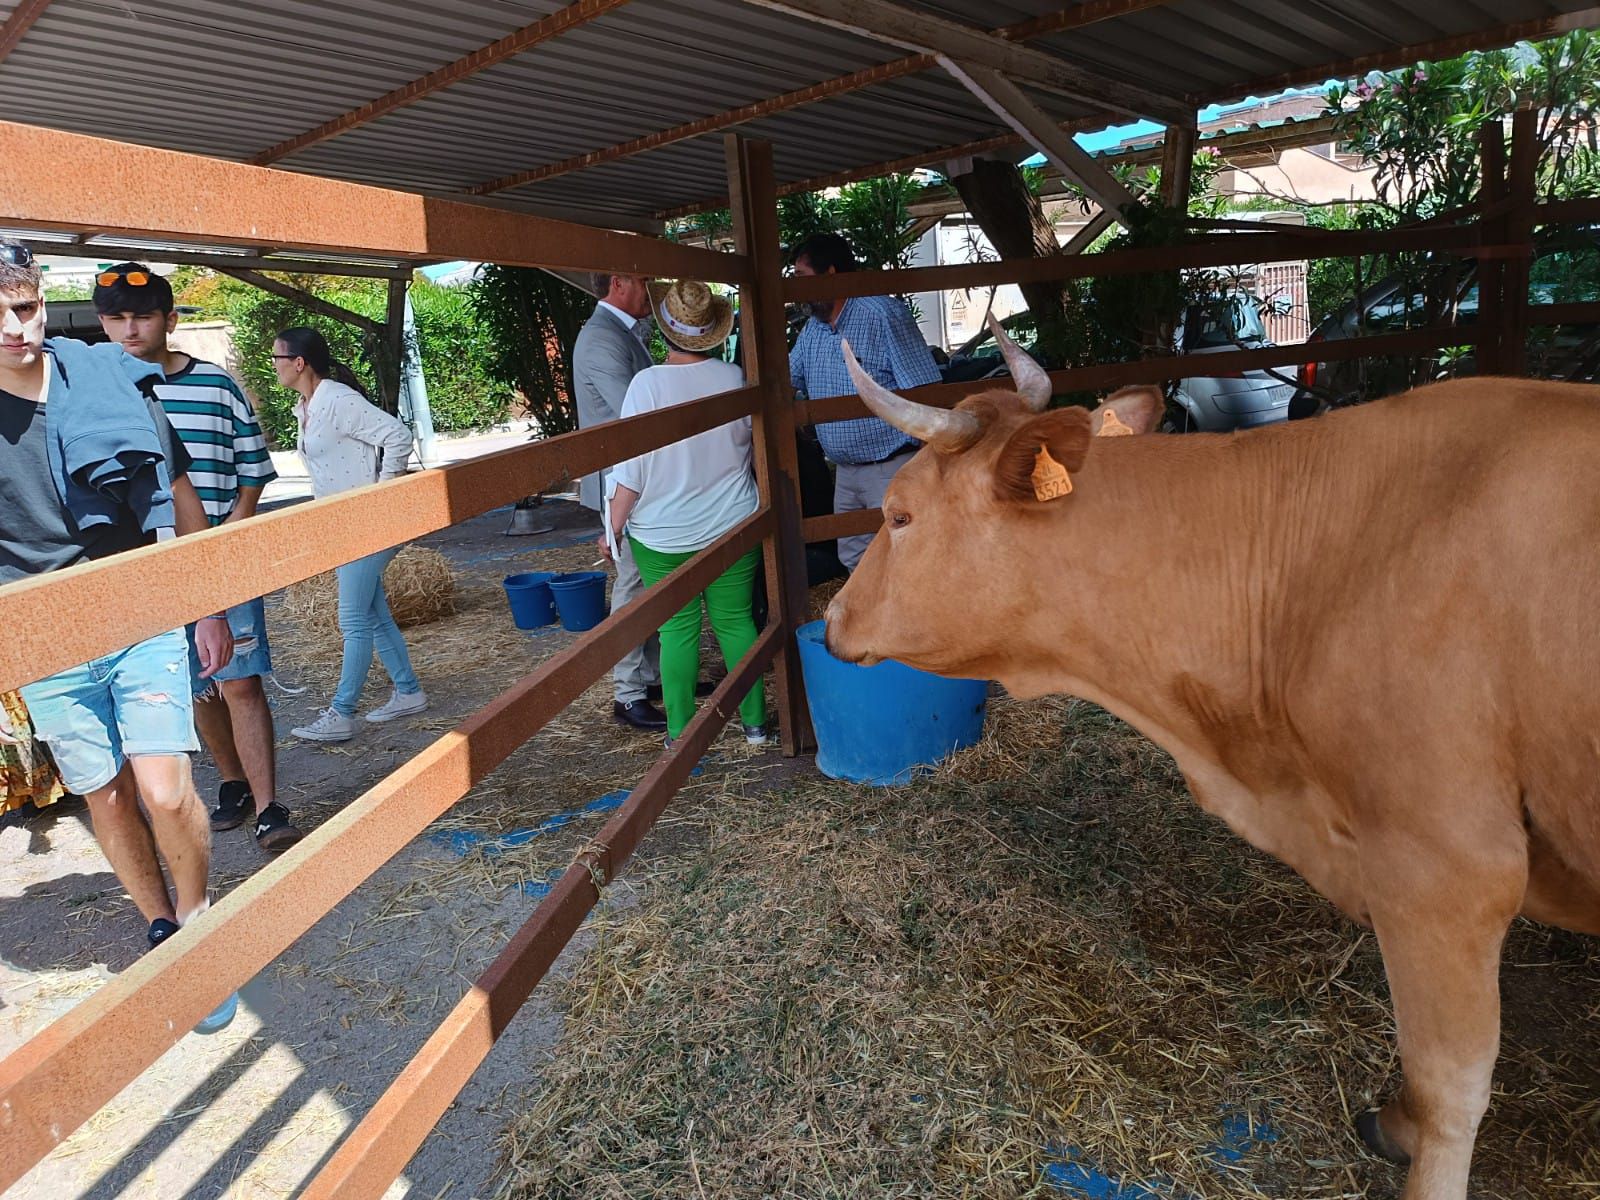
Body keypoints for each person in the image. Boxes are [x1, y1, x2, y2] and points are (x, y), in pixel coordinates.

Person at [0, 242, 237, 1030]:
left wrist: (208, 604)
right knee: (103, 793)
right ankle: (161, 927)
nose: (15, 327)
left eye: (25, 307)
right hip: (42, 631)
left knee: (164, 789)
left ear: (41, 300)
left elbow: (176, 486)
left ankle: (200, 917)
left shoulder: (106, 379)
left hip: (134, 605)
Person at [93, 264, 302, 852]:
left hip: (222, 558)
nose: (130, 330)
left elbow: (253, 470)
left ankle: (268, 806)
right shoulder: (97, 397)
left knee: (240, 682)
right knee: (198, 684)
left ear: (169, 320)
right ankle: (232, 782)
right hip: (148, 569)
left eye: (143, 316)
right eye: (117, 318)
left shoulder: (215, 385)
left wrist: (226, 544)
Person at [603, 279, 767, 747]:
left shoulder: (647, 385)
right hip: (732, 521)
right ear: (714, 330)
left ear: (664, 327)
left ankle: (681, 734)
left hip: (663, 533)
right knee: (736, 622)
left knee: (678, 630)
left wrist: (612, 529)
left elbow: (631, 473)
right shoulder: (734, 378)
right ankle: (755, 726)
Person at [271, 327, 428, 742]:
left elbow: (396, 436)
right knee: (372, 614)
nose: (274, 366)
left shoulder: (338, 400)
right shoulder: (305, 406)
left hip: (370, 523)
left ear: (299, 362)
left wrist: (384, 492)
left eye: (277, 359)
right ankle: (409, 690)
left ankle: (342, 712)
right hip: (343, 526)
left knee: (353, 618)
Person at [787, 232, 942, 572]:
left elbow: (924, 391)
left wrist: (923, 467)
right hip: (845, 471)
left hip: (892, 466)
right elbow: (785, 379)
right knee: (856, 560)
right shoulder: (814, 329)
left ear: (830, 274)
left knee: (906, 557)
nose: (796, 290)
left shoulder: (881, 313)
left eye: (801, 278)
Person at [573, 272, 667, 733]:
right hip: (622, 483)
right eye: (646, 280)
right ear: (619, 283)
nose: (654, 290)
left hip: (634, 478)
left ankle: (647, 679)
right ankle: (628, 691)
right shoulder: (600, 339)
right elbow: (637, 413)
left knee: (646, 579)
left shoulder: (620, 332)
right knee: (632, 583)